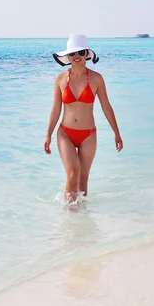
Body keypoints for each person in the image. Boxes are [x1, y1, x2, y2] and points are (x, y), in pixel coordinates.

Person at [44, 34, 123, 205]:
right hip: (65, 133)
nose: (77, 56)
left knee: (83, 180)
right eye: (73, 53)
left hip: (88, 134)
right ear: (68, 56)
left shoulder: (96, 78)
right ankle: (68, 215)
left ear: (87, 53)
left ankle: (82, 221)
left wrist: (116, 133)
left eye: (80, 52)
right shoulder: (60, 79)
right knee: (73, 172)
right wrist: (48, 135)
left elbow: (106, 106)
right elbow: (56, 108)